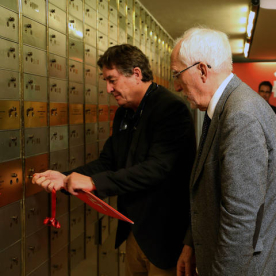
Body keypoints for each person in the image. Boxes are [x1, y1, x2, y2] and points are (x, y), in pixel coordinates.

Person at [32, 44, 196, 276]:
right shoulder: (124, 112)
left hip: (164, 236)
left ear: (136, 74)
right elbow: (109, 161)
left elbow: (157, 169)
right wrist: (66, 177)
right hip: (134, 230)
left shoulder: (171, 109)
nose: (108, 89)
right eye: (105, 81)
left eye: (112, 80)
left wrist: (95, 183)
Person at [172, 27, 276, 276]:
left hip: (256, 264)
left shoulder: (240, 115)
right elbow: (210, 189)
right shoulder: (226, 107)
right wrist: (191, 244)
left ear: (202, 70)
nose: (177, 86)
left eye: (178, 74)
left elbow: (241, 219)